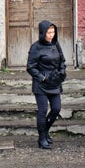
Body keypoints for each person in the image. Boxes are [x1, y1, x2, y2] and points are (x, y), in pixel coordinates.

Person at [26, 20, 66, 149]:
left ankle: (45, 132)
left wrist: (62, 72)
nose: (51, 35)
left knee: (56, 108)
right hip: (41, 84)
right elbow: (30, 67)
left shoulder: (56, 44)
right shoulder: (35, 47)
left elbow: (62, 60)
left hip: (54, 81)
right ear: (43, 33)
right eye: (49, 32)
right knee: (42, 111)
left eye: (53, 32)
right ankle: (42, 138)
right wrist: (41, 77)